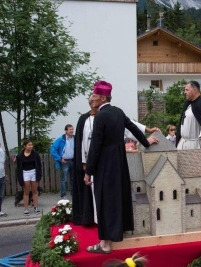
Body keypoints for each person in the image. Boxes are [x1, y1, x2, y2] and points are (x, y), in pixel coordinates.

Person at [84, 80, 158, 253]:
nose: (92, 99)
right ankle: (119, 231)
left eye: (94, 96)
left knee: (104, 199)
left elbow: (95, 146)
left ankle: (105, 244)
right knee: (118, 196)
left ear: (102, 98)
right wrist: (146, 143)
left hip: (105, 163)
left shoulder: (100, 116)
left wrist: (88, 172)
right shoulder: (118, 112)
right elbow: (133, 127)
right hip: (119, 161)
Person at [73, 96, 98, 225]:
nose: (93, 104)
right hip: (88, 160)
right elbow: (80, 142)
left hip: (101, 160)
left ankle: (99, 218)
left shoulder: (104, 117)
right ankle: (89, 218)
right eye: (91, 102)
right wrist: (83, 162)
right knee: (89, 191)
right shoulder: (84, 119)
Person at [16, 139, 42, 216]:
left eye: (31, 145)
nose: (30, 146)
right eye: (29, 145)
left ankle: (36, 207)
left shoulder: (35, 154)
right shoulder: (20, 156)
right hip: (25, 173)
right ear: (25, 146)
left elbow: (39, 165)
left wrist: (39, 175)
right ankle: (26, 208)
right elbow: (19, 167)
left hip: (33, 172)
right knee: (26, 191)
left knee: (34, 190)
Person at [50, 124, 74, 199]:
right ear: (66, 131)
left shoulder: (75, 138)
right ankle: (63, 195)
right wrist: (59, 158)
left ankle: (74, 194)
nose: (72, 131)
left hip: (73, 161)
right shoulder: (61, 139)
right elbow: (53, 149)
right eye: (70, 129)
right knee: (64, 179)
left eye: (72, 129)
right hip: (65, 162)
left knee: (73, 179)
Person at [0, 139, 7, 220]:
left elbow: (3, 164)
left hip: (1, 176)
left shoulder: (2, 152)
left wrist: (5, 173)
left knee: (0, 195)